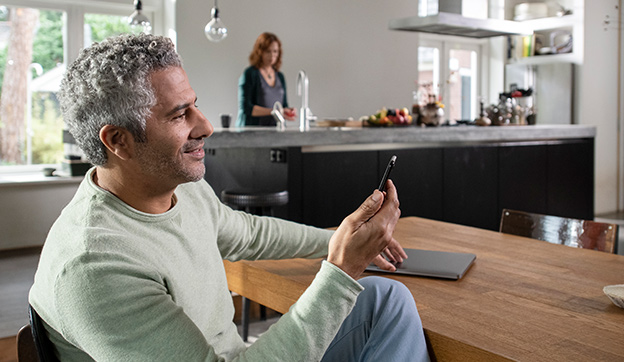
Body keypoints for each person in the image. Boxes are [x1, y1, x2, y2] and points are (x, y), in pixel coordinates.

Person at [28, 33, 430, 361]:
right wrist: (341, 272)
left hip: (237, 353)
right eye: (178, 114)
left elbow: (250, 233)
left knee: (386, 298)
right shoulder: (95, 266)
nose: (204, 126)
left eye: (195, 105)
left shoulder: (182, 191)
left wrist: (341, 241)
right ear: (119, 141)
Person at [236, 32, 296, 127]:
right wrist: (274, 111)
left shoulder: (280, 76)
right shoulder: (250, 74)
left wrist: (287, 111)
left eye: (275, 51)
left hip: (274, 130)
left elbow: (283, 105)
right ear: (260, 52)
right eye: (268, 51)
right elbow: (246, 108)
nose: (272, 55)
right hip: (252, 131)